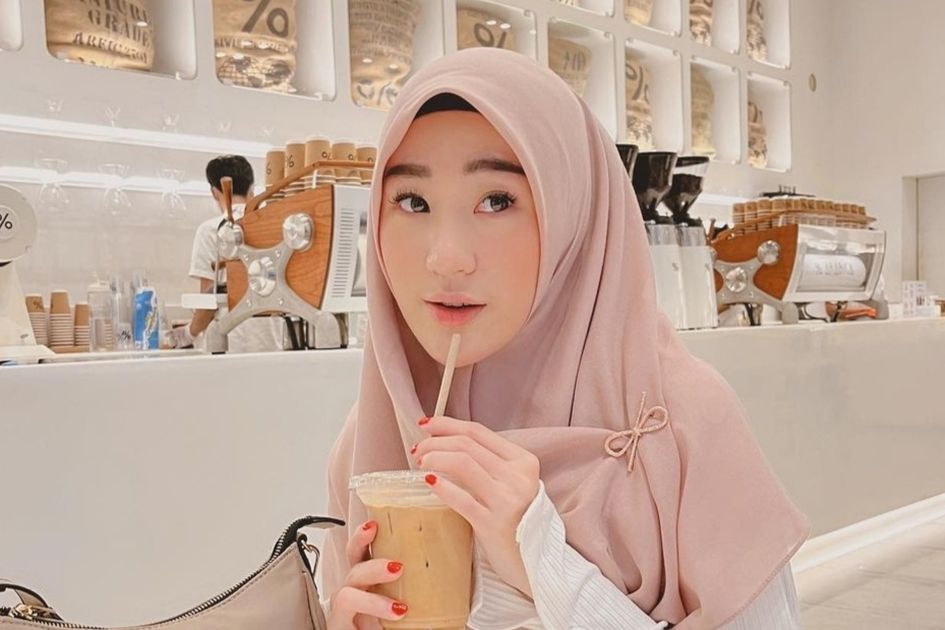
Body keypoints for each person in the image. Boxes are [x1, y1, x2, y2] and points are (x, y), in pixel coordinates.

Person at [322, 48, 809, 630]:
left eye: (497, 200)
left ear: (573, 214)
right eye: (412, 201)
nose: (446, 257)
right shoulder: (376, 430)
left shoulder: (683, 421)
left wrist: (541, 561)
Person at [174, 155, 283, 352]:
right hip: (270, 340)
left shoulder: (211, 230)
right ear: (251, 189)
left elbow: (209, 301)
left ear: (215, 192)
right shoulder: (270, 226)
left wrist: (188, 334)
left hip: (229, 342)